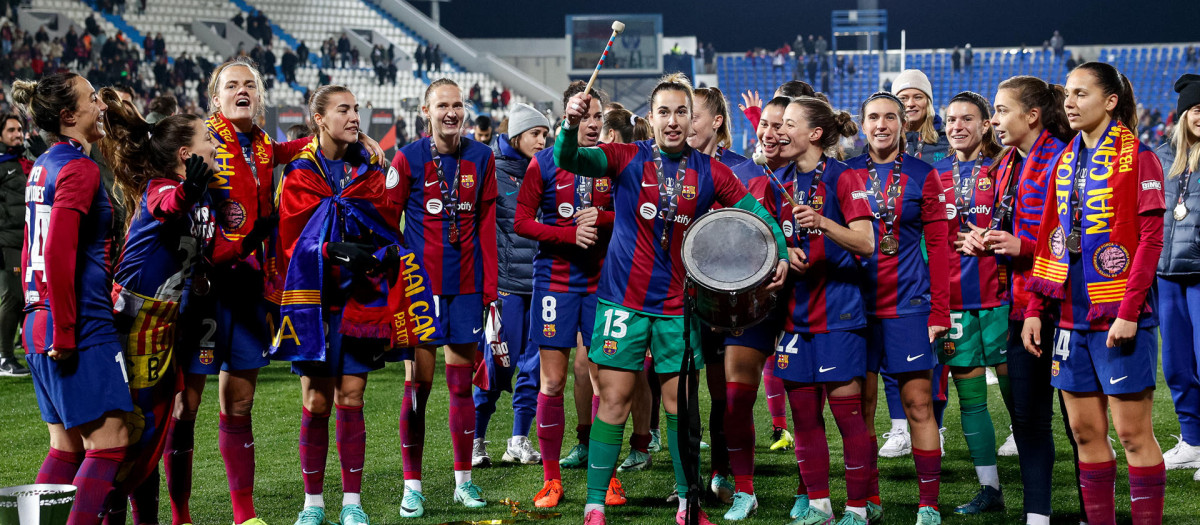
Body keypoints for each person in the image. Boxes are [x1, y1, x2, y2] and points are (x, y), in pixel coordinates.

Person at [557, 73, 788, 525]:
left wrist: (776, 247)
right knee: (615, 401)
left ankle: (688, 504)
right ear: (650, 118)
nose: (674, 120)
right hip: (622, 302)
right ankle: (595, 504)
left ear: (694, 119)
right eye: (664, 112)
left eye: (682, 111)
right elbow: (569, 157)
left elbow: (756, 213)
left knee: (679, 406)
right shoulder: (625, 157)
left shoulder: (710, 171)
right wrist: (568, 124)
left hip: (678, 309)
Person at [162, 58, 383, 525]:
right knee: (187, 404)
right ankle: (179, 516)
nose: (242, 91)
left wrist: (355, 134)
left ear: (258, 96)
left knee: (239, 401)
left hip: (247, 288)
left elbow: (300, 144)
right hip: (201, 287)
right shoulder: (200, 139)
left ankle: (245, 516)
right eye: (232, 85)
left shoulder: (262, 144)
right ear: (215, 96)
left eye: (249, 85)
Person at [1021, 61, 1166, 525]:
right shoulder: (1066, 160)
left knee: (1131, 435)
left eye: (1082, 94)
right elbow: (1050, 235)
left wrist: (1128, 311)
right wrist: (1034, 308)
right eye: (1068, 93)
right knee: (1084, 433)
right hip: (1069, 316)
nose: (1070, 102)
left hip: (1118, 316)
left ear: (1110, 102)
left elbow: (1150, 241)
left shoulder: (1139, 157)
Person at [275, 85, 400, 525]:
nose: (353, 117)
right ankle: (312, 504)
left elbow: (383, 222)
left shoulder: (368, 167)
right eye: (343, 110)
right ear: (319, 119)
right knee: (315, 402)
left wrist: (378, 253)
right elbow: (290, 243)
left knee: (352, 397)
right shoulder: (301, 173)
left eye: (356, 109)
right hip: (315, 303)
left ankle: (352, 502)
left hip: (358, 301)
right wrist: (333, 251)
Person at [749, 96, 875, 525]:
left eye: (788, 124)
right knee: (803, 418)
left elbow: (866, 242)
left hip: (839, 314)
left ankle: (858, 508)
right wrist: (785, 256)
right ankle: (819, 506)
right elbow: (765, 242)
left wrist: (823, 223)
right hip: (794, 317)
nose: (779, 130)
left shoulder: (844, 177)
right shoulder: (777, 179)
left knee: (847, 416)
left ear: (815, 134)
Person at [12, 73, 129, 525]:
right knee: (111, 441)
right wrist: (63, 329)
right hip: (78, 323)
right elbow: (57, 251)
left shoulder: (44, 162)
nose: (102, 105)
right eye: (92, 99)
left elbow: (32, 247)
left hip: (40, 318)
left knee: (65, 447)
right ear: (69, 115)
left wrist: (35, 313)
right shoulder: (79, 168)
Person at [97, 89, 217, 525]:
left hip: (161, 325)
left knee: (150, 433)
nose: (215, 144)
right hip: (132, 326)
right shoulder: (163, 188)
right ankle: (107, 513)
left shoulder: (199, 192)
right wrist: (188, 191)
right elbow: (168, 206)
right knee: (133, 433)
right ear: (187, 152)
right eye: (209, 138)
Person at [388, 78, 497, 518]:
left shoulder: (482, 156)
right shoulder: (408, 157)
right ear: (425, 111)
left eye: (457, 105)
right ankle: (411, 486)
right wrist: (400, 277)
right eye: (442, 106)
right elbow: (386, 218)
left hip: (468, 286)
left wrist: (490, 287)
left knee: (460, 388)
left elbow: (488, 223)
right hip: (421, 292)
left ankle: (462, 483)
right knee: (419, 387)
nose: (451, 113)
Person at [515, 81, 626, 509]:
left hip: (604, 283)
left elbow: (634, 216)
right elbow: (522, 221)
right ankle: (551, 480)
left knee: (606, 380)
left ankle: (609, 477)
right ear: (569, 117)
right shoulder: (543, 164)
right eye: (586, 116)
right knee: (553, 380)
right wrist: (565, 234)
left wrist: (603, 218)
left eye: (600, 117)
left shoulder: (612, 164)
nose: (594, 124)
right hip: (556, 284)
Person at [978, 75, 1075, 525]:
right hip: (1020, 307)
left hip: (1066, 308)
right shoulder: (1008, 163)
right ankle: (1038, 516)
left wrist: (1024, 247)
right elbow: (1017, 230)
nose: (994, 120)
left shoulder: (1064, 157)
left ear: (1032, 115)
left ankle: (1098, 513)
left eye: (1001, 110)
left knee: (1080, 422)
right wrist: (988, 242)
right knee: (1028, 418)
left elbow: (1076, 238)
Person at [851, 91, 952, 525]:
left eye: (889, 117)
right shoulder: (845, 173)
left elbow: (940, 247)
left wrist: (939, 311)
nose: (881, 125)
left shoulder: (923, 175)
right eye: (873, 117)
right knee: (864, 407)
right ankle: (869, 499)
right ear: (862, 124)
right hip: (854, 310)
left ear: (901, 124)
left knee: (919, 406)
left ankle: (928, 504)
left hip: (908, 306)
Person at [930, 91, 1010, 514]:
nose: (957, 126)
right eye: (951, 119)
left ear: (985, 125)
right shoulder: (933, 175)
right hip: (956, 303)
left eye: (967, 119)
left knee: (1021, 398)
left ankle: (1039, 484)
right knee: (971, 397)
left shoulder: (1004, 170)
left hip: (1001, 299)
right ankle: (990, 490)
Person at [470, 103, 551, 467]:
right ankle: (476, 439)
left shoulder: (547, 170)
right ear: (517, 134)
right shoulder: (491, 168)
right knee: (496, 365)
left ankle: (518, 439)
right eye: (536, 133)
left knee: (534, 368)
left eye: (545, 134)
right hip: (504, 287)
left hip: (542, 285)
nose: (542, 140)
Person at [877, 70, 952, 459]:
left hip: (930, 252)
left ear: (928, 100)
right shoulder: (877, 151)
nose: (910, 102)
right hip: (897, 256)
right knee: (892, 353)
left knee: (930, 355)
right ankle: (900, 426)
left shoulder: (943, 144)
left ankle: (934, 424)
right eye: (902, 96)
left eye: (917, 96)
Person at [1158, 74, 1200, 478]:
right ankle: (1192, 441)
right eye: (1196, 108)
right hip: (1166, 274)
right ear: (1184, 114)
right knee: (1175, 363)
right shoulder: (1160, 157)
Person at [0, 113, 30, 376]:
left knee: (25, 296)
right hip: (7, 242)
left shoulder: (23, 160)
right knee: (13, 297)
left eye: (19, 129)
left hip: (26, 241)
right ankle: (4, 357)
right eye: (11, 130)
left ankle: (25, 349)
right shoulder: (1, 164)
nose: (17, 134)